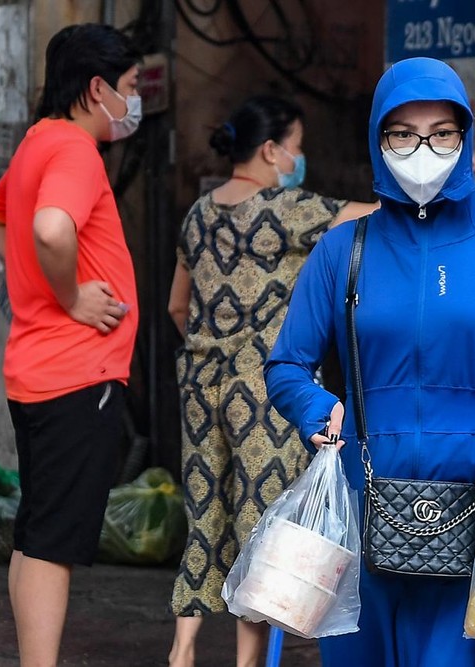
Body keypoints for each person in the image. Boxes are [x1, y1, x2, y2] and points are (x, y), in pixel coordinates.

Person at [263, 57, 475, 667]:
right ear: (379, 142)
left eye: (442, 132)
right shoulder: (342, 250)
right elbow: (287, 366)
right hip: (362, 508)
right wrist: (320, 408)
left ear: (466, 139)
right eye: (402, 133)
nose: (423, 148)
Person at [166, 95, 378, 667]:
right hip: (261, 389)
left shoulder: (197, 214)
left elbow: (176, 307)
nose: (298, 158)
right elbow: (372, 215)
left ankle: (182, 652)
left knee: (204, 510)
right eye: (297, 148)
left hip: (198, 383)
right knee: (263, 520)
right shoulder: (289, 208)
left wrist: (214, 341)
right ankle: (247, 664)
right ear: (270, 150)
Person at [0, 23, 141, 667]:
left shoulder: (35, 145)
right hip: (77, 375)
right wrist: (69, 297)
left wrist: (35, 290)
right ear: (97, 88)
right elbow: (48, 228)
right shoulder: (74, 151)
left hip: (37, 369)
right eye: (128, 89)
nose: (132, 104)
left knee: (34, 535)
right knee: (51, 546)